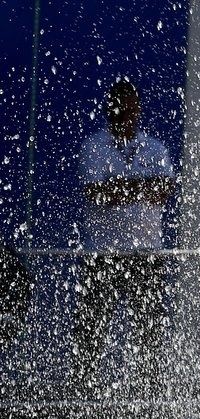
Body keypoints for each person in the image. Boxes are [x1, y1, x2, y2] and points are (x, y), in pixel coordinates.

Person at [72, 79, 176, 393]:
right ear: (109, 110)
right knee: (92, 327)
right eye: (119, 108)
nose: (125, 114)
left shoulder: (154, 147)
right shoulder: (94, 146)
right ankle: (83, 389)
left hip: (145, 253)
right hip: (102, 253)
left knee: (150, 329)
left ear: (138, 110)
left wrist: (120, 187)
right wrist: (140, 187)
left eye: (131, 108)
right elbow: (96, 194)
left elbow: (164, 193)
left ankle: (153, 392)